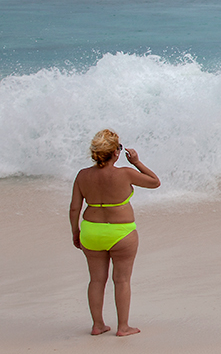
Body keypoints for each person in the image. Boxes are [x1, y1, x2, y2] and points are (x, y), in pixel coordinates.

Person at [69, 129, 160, 336]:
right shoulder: (125, 173)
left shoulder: (82, 175)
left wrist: (75, 231)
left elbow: (74, 207)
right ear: (116, 153)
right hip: (122, 233)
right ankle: (123, 327)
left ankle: (98, 325)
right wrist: (136, 162)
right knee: (122, 280)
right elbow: (155, 182)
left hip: (91, 231)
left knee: (96, 280)